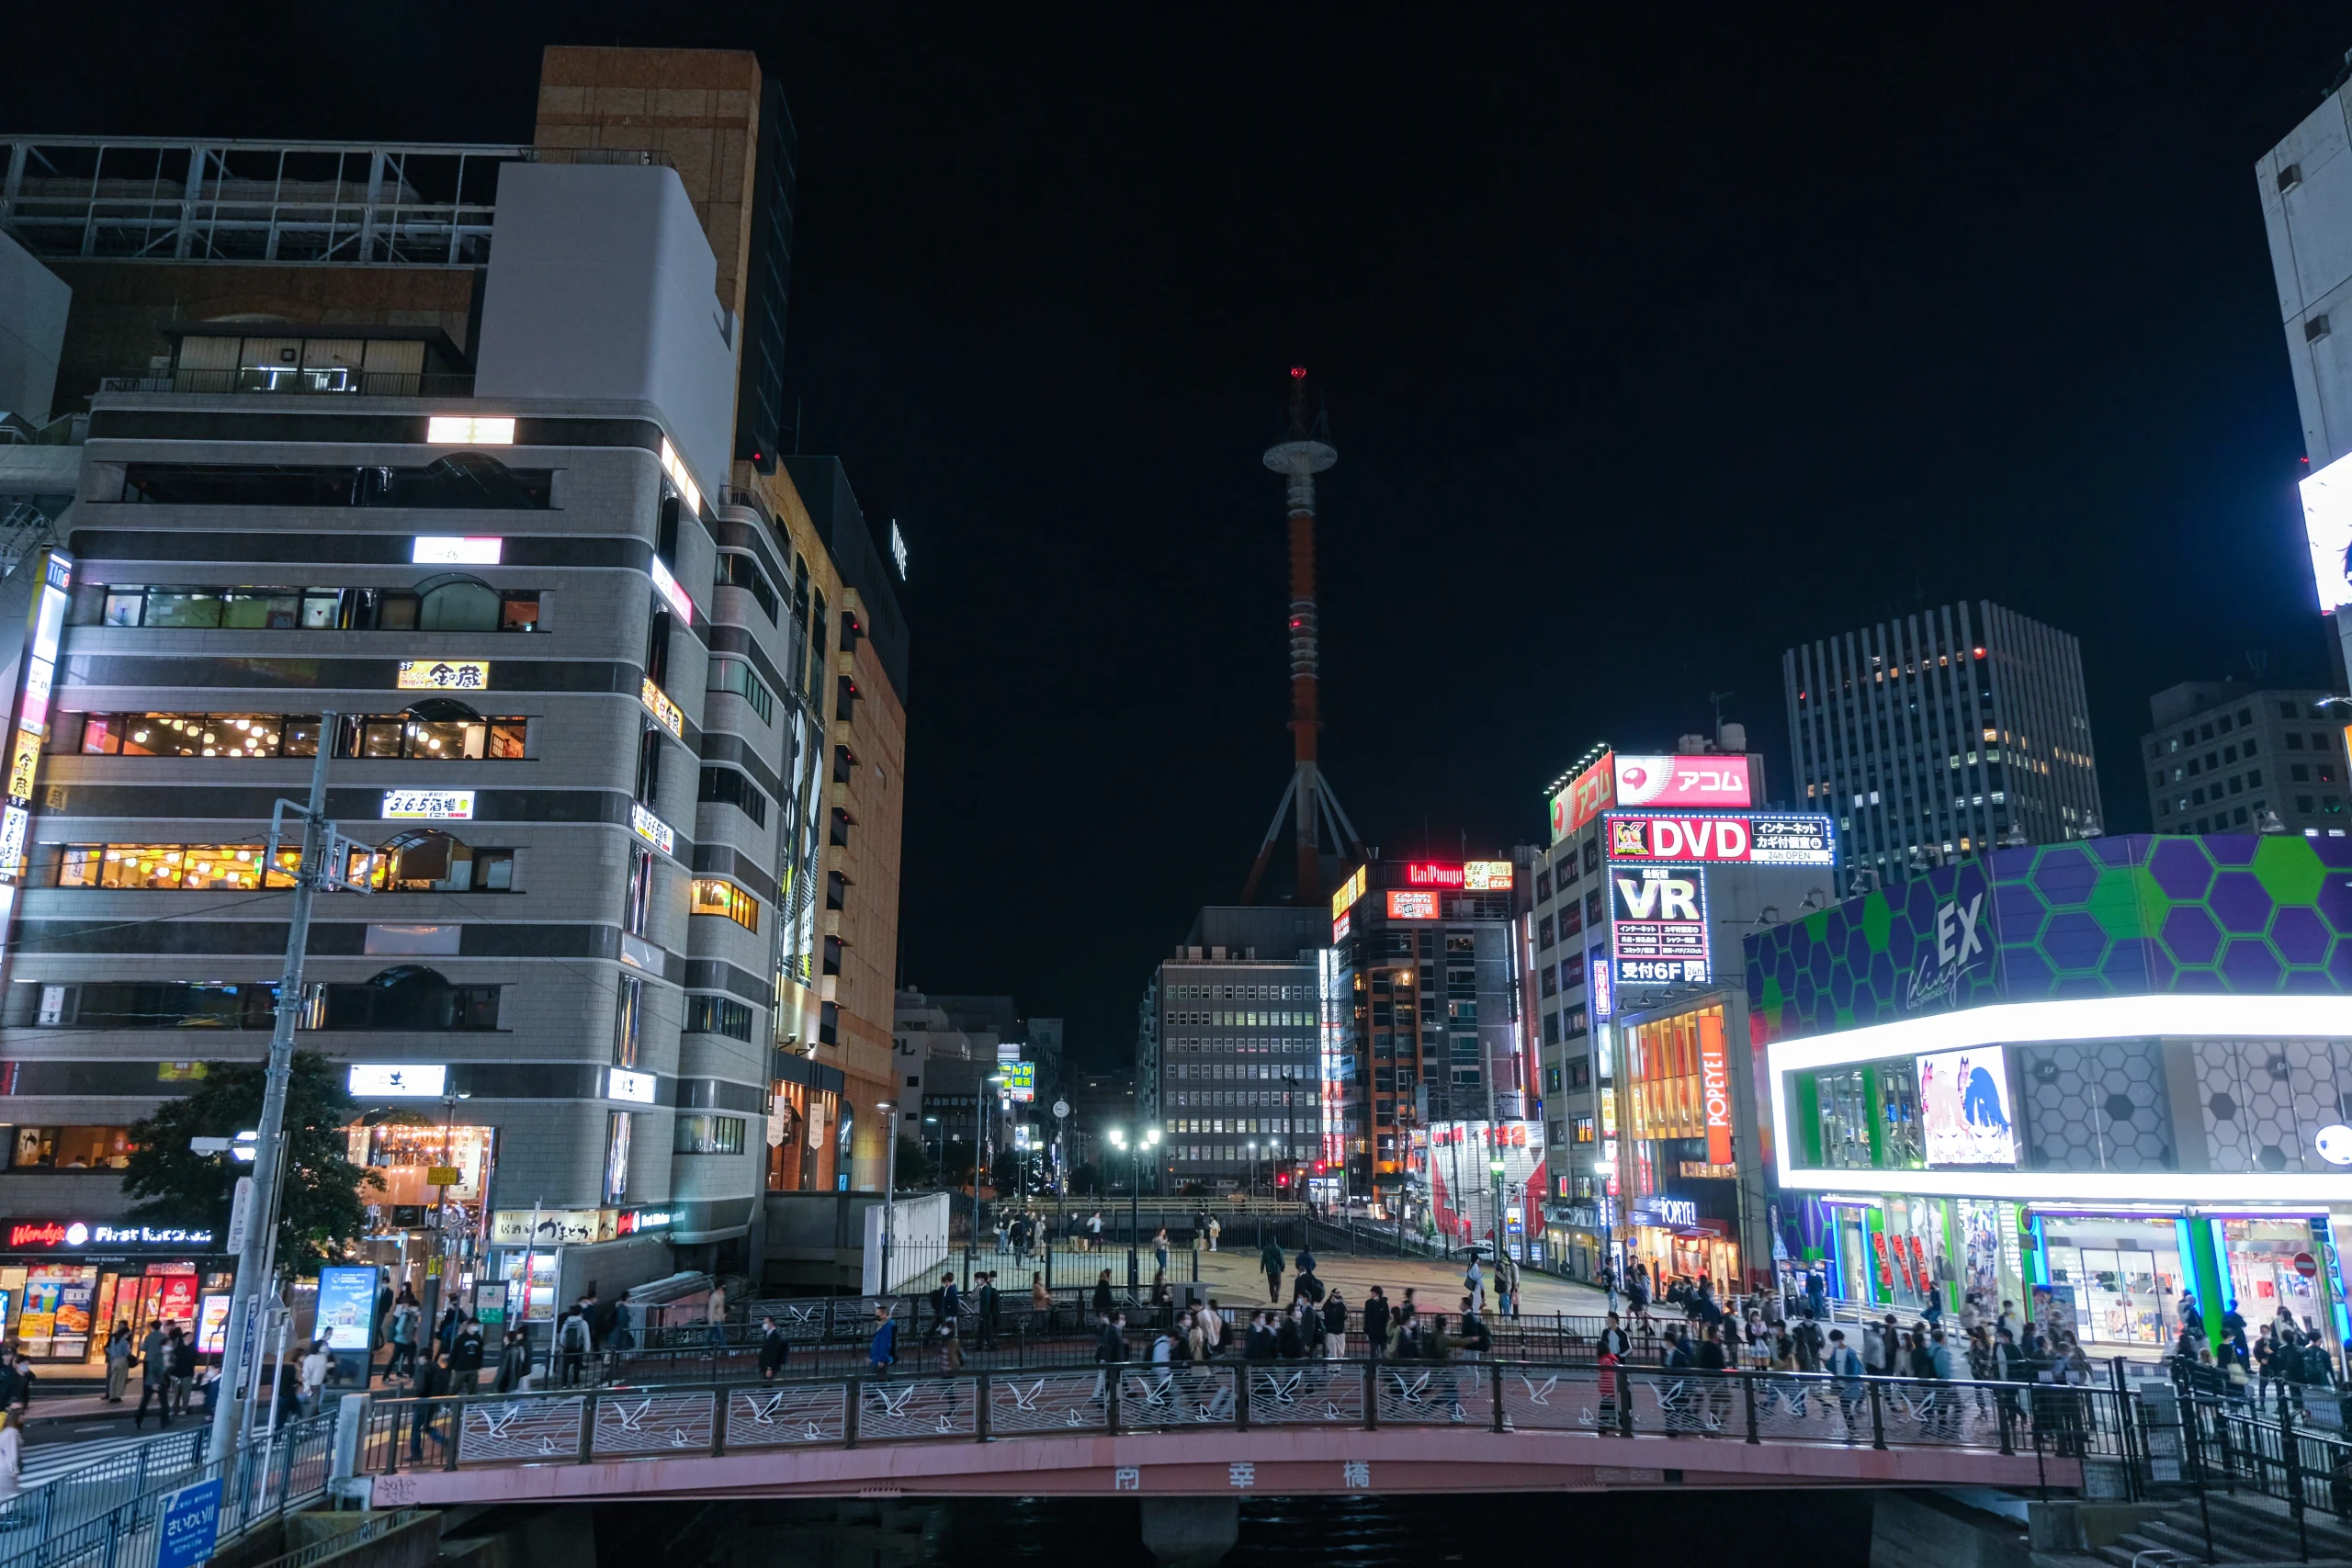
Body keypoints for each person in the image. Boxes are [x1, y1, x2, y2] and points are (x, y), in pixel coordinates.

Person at [406, 1349, 449, 1461]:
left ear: (423, 1357)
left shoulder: (423, 1369)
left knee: (416, 1428)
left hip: (423, 1402)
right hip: (434, 1402)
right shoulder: (437, 1368)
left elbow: (421, 1387)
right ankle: (445, 1441)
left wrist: (415, 1396)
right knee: (426, 1426)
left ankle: (416, 1453)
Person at [1826, 1328, 1865, 1441]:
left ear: (1841, 1339)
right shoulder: (1835, 1352)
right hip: (1840, 1384)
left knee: (1846, 1408)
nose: (1834, 1342)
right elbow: (1831, 1367)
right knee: (1845, 1408)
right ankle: (1852, 1430)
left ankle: (1852, 1430)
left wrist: (1852, 1383)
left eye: (1835, 1340)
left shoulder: (1851, 1353)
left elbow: (1855, 1370)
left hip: (1849, 1384)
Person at [134, 1322, 172, 1429]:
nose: (170, 1346)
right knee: (160, 1400)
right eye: (169, 1345)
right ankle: (163, 1420)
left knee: (148, 1400)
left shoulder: (149, 1337)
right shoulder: (164, 1338)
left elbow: (144, 1348)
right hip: (155, 1379)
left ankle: (140, 1419)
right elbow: (155, 1369)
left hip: (150, 1365)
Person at [386, 1285, 421, 1382]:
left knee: (408, 1357)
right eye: (416, 1308)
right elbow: (399, 1328)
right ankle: (386, 1376)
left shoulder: (413, 1316)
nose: (418, 1310)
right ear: (411, 1307)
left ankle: (408, 1374)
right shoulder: (406, 1315)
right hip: (401, 1340)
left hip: (408, 1340)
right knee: (395, 1358)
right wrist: (405, 1334)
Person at [556, 1305, 591, 1387]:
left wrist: (563, 1344)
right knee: (577, 1365)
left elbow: (562, 1335)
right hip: (578, 1347)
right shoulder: (583, 1323)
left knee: (566, 1366)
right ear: (580, 1312)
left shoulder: (567, 1322)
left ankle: (564, 1384)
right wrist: (587, 1348)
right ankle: (575, 1381)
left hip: (567, 1347)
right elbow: (586, 1336)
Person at [450, 1315, 486, 1396]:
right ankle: (448, 1403)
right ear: (469, 1325)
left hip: (473, 1368)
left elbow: (480, 1352)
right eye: (474, 1325)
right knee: (454, 1388)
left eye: (477, 1325)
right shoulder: (461, 1338)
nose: (475, 1327)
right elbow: (454, 1353)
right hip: (460, 1368)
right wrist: (451, 1366)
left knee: (473, 1390)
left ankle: (472, 1404)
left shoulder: (478, 1338)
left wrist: (479, 1365)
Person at [167, 1327, 196, 1415]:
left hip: (188, 1373)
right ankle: (174, 1409)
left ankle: (184, 1409)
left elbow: (194, 1358)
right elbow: (176, 1355)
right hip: (177, 1373)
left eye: (191, 1337)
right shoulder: (179, 1347)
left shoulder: (193, 1347)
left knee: (185, 1393)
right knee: (176, 1393)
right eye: (188, 1337)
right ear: (183, 1338)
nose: (190, 1339)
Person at [299, 1338, 330, 1416]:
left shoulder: (323, 1357)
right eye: (324, 1345)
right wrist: (307, 1386)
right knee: (314, 1404)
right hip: (312, 1385)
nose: (326, 1347)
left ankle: (311, 1421)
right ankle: (305, 1420)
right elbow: (306, 1374)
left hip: (319, 1384)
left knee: (317, 1406)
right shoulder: (311, 1358)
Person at [494, 1328, 531, 1393]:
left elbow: (504, 1369)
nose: (504, 1339)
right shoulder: (516, 1349)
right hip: (512, 1381)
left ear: (508, 1338)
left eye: (505, 1337)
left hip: (506, 1382)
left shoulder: (509, 1351)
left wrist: (498, 1383)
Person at [103, 1323, 132, 1404]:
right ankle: (117, 1396)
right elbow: (126, 1353)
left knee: (113, 1378)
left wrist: (112, 1357)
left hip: (114, 1360)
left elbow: (108, 1349)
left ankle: (111, 1395)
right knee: (121, 1379)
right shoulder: (124, 1342)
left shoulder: (113, 1340)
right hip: (122, 1360)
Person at [868, 1303, 899, 1376]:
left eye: (878, 1313)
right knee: (880, 1377)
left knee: (876, 1377)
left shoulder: (885, 1329)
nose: (876, 1315)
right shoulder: (883, 1327)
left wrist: (881, 1360)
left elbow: (885, 1345)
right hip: (877, 1358)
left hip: (879, 1359)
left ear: (884, 1315)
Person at [758, 1315, 790, 1380]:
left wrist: (769, 1368)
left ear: (771, 1323)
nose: (764, 1325)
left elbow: (773, 1353)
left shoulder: (775, 1337)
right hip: (766, 1366)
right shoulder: (769, 1335)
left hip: (770, 1367)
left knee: (767, 1383)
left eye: (766, 1323)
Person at [1364, 1288, 1391, 1361]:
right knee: (1373, 1354)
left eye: (1373, 1293)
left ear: (1378, 1294)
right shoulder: (1369, 1303)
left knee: (1384, 1354)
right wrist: (1367, 1330)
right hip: (1373, 1333)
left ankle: (1384, 1367)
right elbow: (1367, 1317)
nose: (1371, 1294)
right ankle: (1373, 1368)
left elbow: (1387, 1317)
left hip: (1383, 1333)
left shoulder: (1384, 1303)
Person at [977, 1272, 1001, 1351]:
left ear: (983, 1279)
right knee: (986, 1330)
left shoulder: (985, 1289)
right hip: (986, 1314)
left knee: (986, 1330)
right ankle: (986, 1345)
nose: (977, 1280)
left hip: (985, 1314)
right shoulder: (985, 1288)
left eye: (979, 1278)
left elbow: (985, 1303)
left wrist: (983, 1314)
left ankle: (990, 1345)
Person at [1322, 1291, 1349, 1359]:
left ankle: (1338, 1366)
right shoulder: (1327, 1305)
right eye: (1336, 1297)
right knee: (1333, 1352)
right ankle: (1332, 1366)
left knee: (1341, 1353)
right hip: (1330, 1331)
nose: (1337, 1300)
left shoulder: (1341, 1305)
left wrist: (1345, 1315)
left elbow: (1344, 1315)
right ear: (1332, 1296)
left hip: (1340, 1331)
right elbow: (1323, 1317)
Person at [1260, 1238, 1285, 1304]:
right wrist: (1282, 1268)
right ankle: (1277, 1293)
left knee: (1271, 1284)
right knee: (1278, 1283)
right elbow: (1282, 1259)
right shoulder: (1278, 1249)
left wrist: (1262, 1269)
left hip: (1269, 1269)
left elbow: (1263, 1260)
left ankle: (1272, 1297)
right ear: (1275, 1241)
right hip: (1277, 1270)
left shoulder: (1266, 1249)